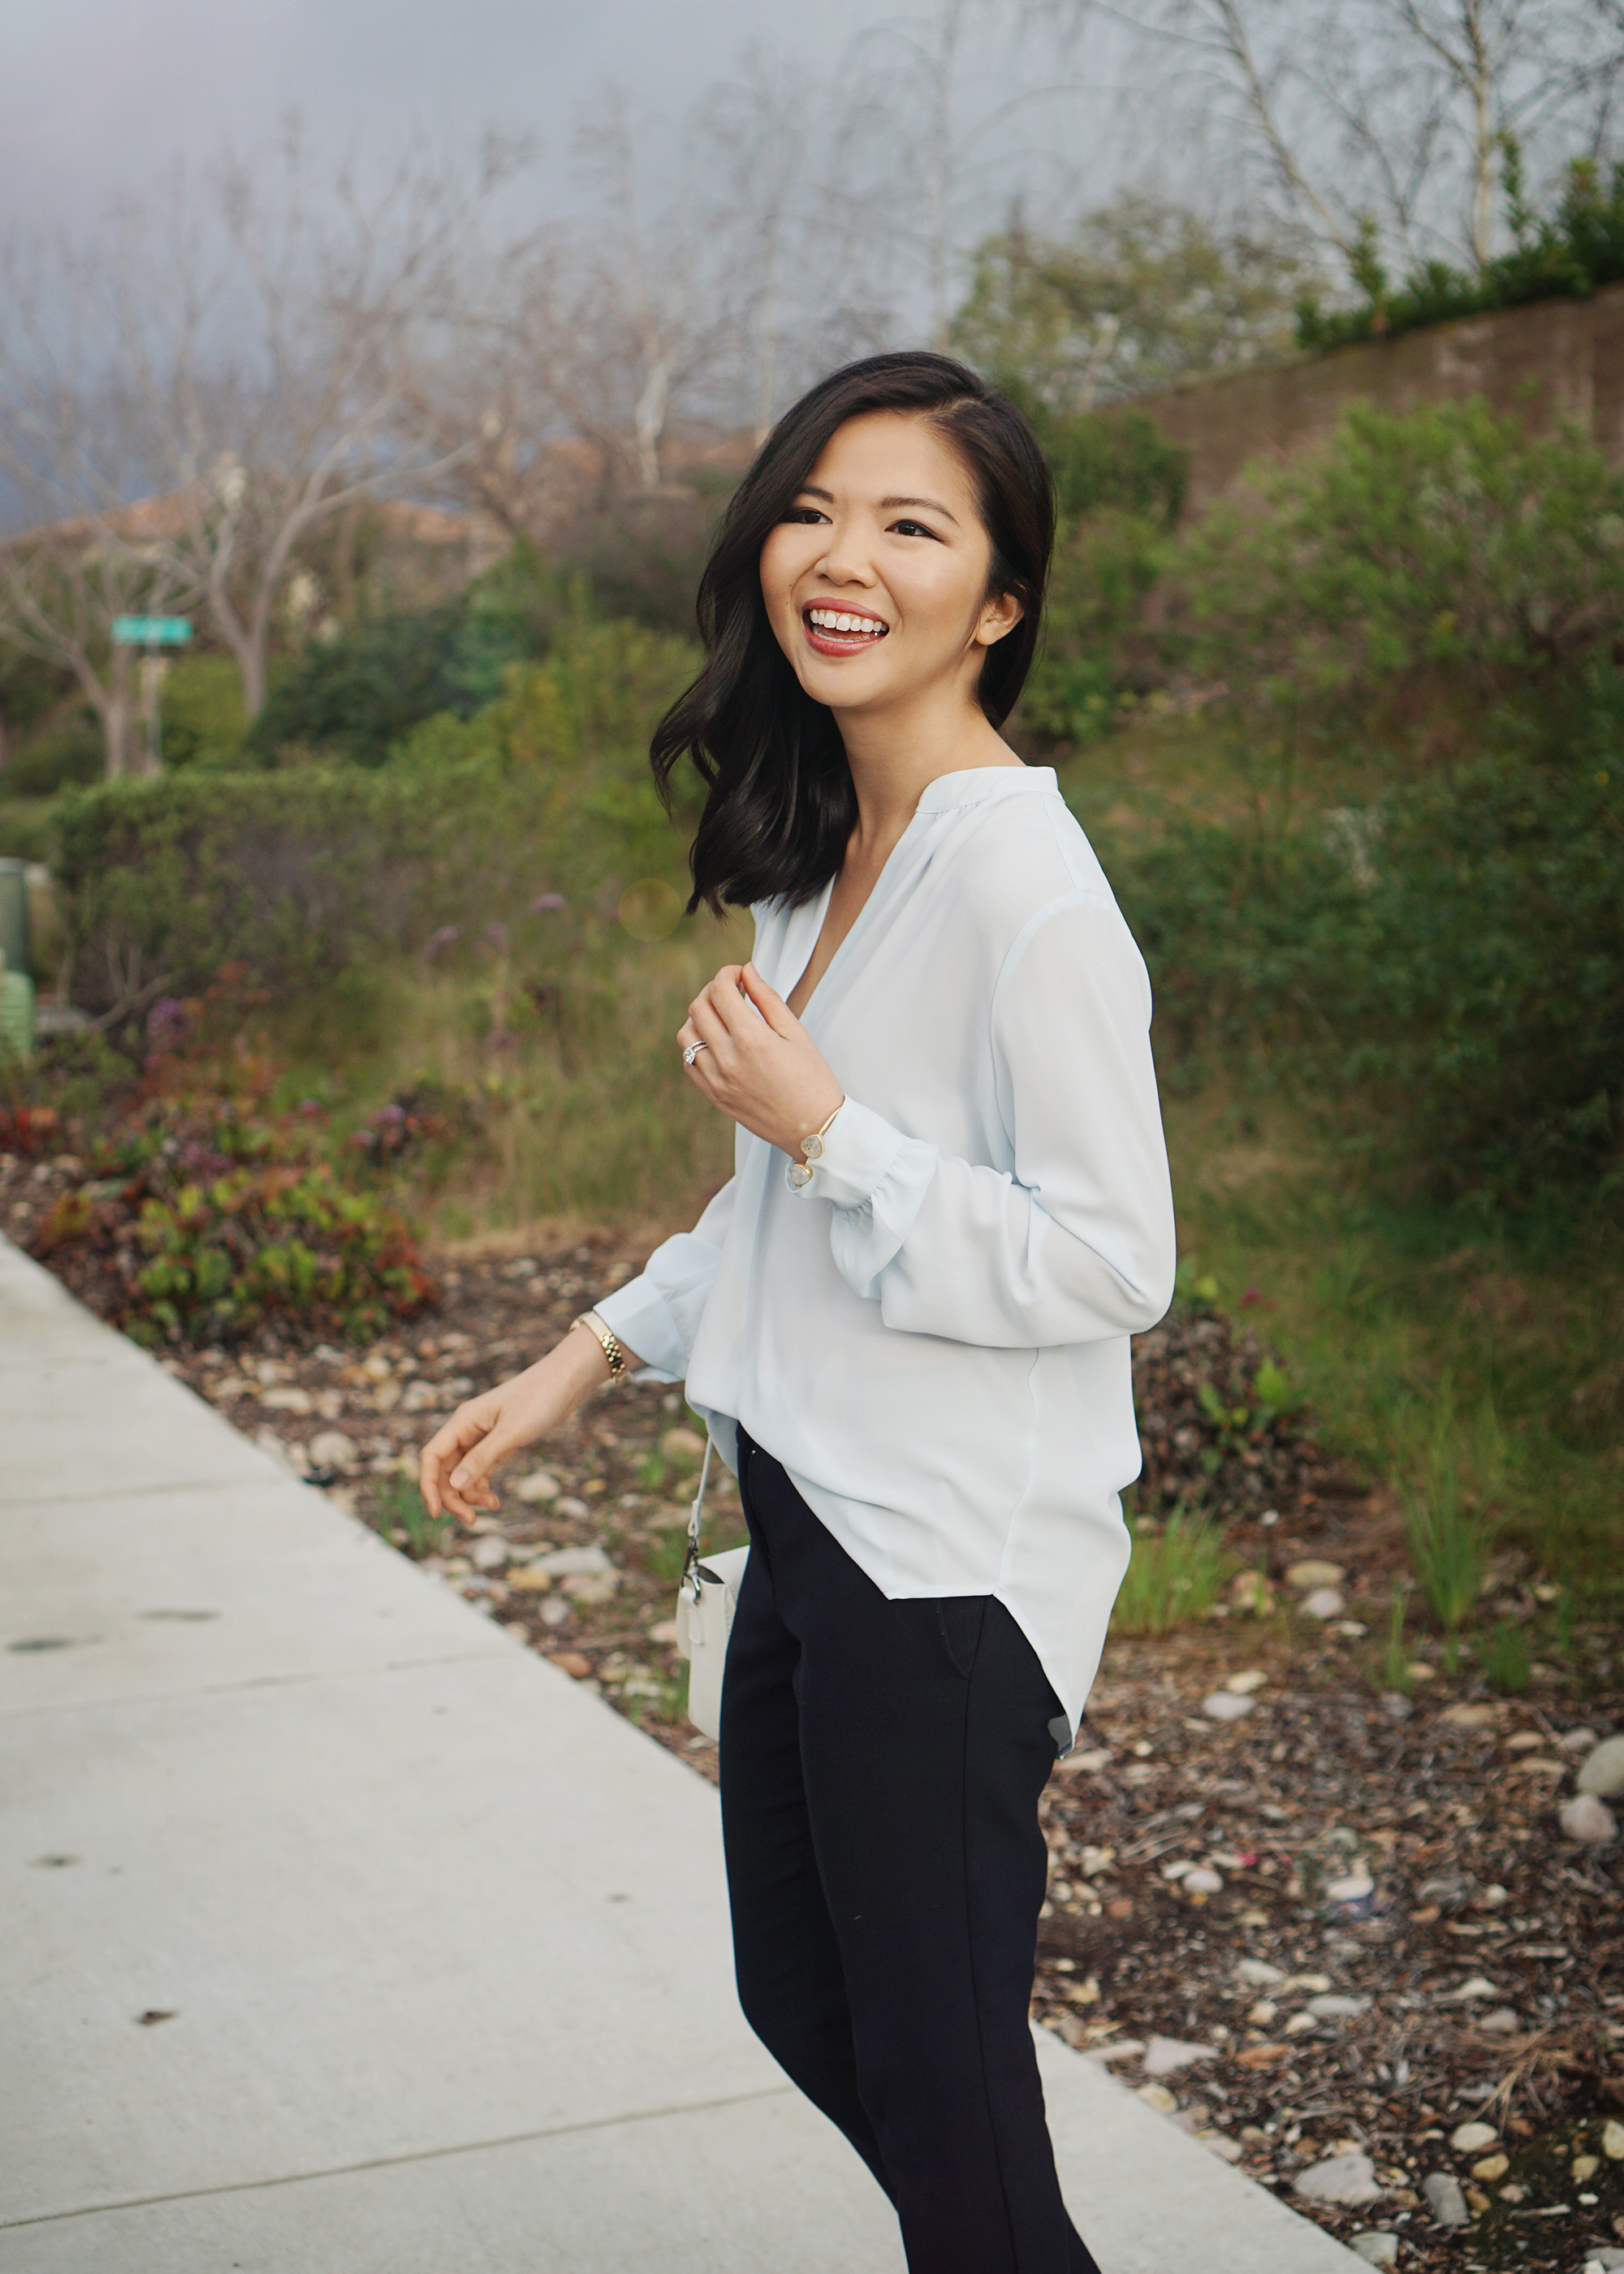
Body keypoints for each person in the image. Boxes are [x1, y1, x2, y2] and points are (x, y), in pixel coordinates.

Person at [420, 351, 1176, 2274]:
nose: (841, 557)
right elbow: (774, 1210)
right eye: (814, 508)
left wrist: (831, 1130)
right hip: (808, 1524)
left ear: (997, 603)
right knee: (812, 2008)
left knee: (941, 2091)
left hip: (943, 1572)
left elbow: (1112, 1259)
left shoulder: (1028, 889)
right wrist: (583, 1353)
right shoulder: (827, 853)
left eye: (911, 525)